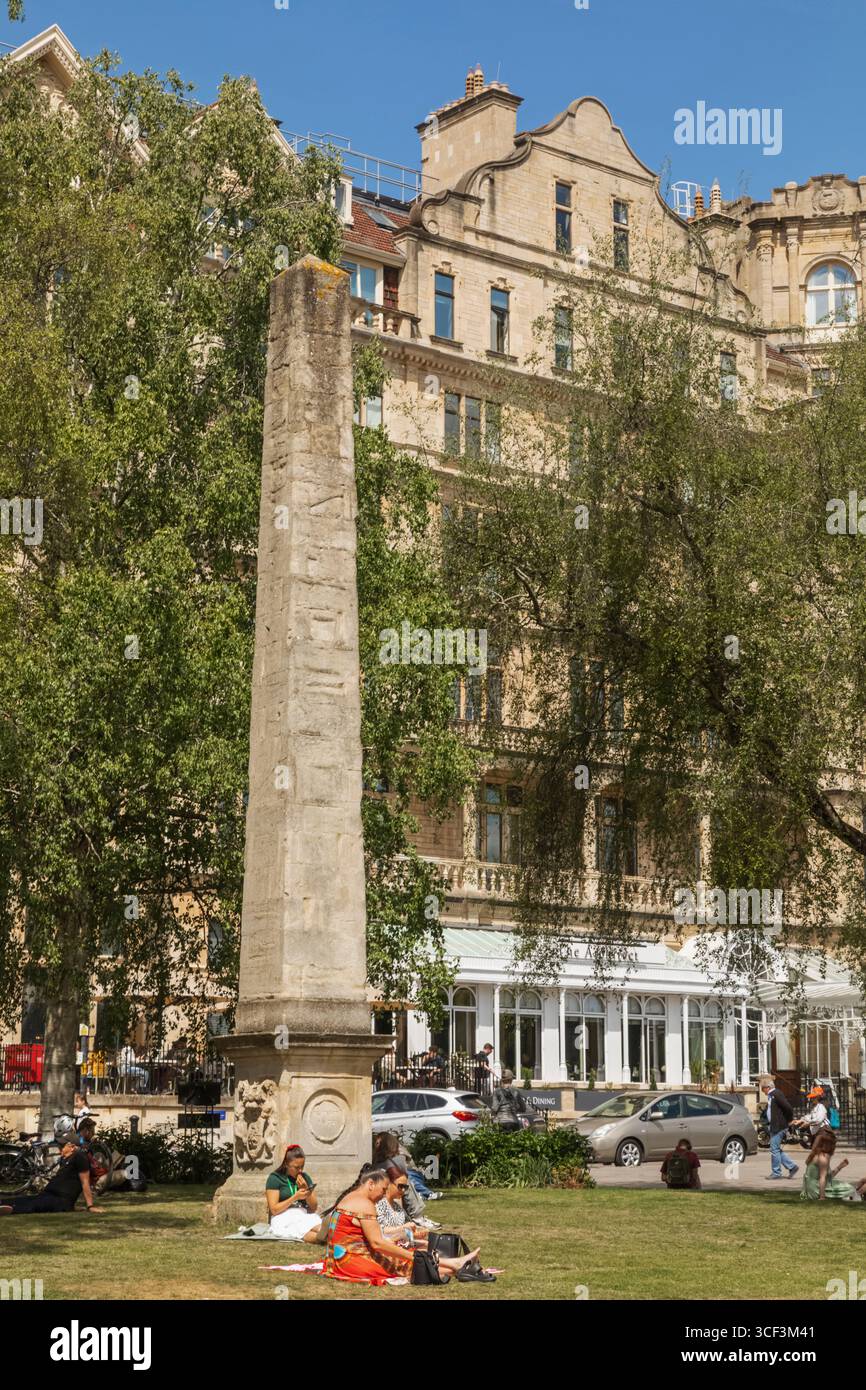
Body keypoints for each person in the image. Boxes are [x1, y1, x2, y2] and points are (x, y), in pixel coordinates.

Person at [323, 1167, 480, 1284]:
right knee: (407, 1262)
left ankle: (457, 1265)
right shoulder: (365, 1204)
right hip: (352, 1263)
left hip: (341, 1261)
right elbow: (377, 1243)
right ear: (371, 1184)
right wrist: (412, 1257)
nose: (383, 1194)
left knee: (407, 1257)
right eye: (383, 1189)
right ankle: (458, 1266)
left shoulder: (350, 1197)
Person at [0, 1137, 104, 1216]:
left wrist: (90, 1206)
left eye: (63, 1145)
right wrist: (73, 1207)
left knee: (34, 1205)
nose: (60, 1148)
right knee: (27, 1199)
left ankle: (11, 1209)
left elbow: (84, 1182)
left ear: (72, 1147)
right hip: (49, 1194)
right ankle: (3, 1202)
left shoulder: (80, 1157)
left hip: (59, 1199)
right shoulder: (65, 1159)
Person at [371, 1130, 441, 1224]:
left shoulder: (398, 1155)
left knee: (405, 1181)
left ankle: (419, 1210)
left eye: (379, 1142)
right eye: (376, 1142)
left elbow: (402, 1170)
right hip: (390, 1183)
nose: (377, 1144)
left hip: (406, 1177)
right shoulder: (378, 1158)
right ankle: (420, 1209)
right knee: (405, 1182)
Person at [265, 1143, 323, 1242]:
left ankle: (329, 1238)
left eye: (302, 1166)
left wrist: (306, 1192)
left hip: (302, 1215)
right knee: (302, 1229)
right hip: (282, 1217)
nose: (300, 1170)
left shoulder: (305, 1177)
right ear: (286, 1164)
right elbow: (274, 1210)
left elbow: (313, 1208)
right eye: (296, 1167)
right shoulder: (275, 1178)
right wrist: (295, 1197)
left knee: (319, 1227)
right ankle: (327, 1240)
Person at [801, 1130, 866, 1201]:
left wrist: (839, 1167)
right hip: (816, 1190)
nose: (834, 1146)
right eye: (833, 1144)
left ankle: (857, 1194)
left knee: (860, 1182)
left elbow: (828, 1177)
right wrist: (822, 1197)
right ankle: (856, 1195)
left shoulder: (817, 1154)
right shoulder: (823, 1157)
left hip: (813, 1188)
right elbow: (822, 1178)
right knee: (850, 1188)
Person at [760, 1076, 799, 1181]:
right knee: (776, 1149)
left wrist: (789, 1120)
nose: (761, 1090)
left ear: (767, 1087)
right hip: (775, 1126)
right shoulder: (772, 1095)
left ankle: (776, 1172)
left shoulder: (776, 1094)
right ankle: (792, 1167)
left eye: (762, 1088)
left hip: (779, 1126)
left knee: (774, 1150)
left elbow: (788, 1108)